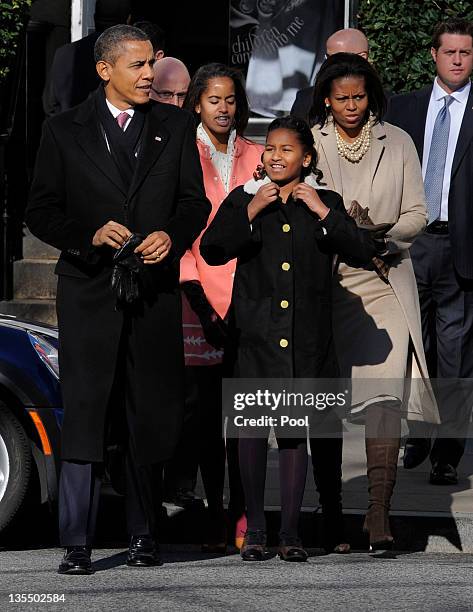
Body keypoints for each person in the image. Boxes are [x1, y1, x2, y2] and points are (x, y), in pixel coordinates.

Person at [26, 25, 210, 575]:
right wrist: (88, 234)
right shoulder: (63, 130)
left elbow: (192, 203)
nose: (149, 74)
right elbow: (41, 209)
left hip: (152, 293)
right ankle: (76, 541)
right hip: (89, 291)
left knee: (146, 412)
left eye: (151, 63)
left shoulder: (175, 126)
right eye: (137, 66)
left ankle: (143, 534)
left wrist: (171, 236)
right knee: (85, 412)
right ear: (105, 70)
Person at [200, 115, 382, 562]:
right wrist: (252, 210)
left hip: (306, 341)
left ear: (306, 158)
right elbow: (213, 248)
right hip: (255, 338)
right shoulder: (244, 198)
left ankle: (291, 532)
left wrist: (322, 211)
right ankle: (257, 529)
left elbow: (362, 250)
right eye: (270, 149)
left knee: (294, 432)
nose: (276, 155)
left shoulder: (325, 201)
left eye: (286, 149)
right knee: (252, 431)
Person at [310, 53, 438, 552]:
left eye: (359, 96)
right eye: (340, 97)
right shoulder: (311, 141)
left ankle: (378, 512)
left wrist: (385, 240)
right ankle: (330, 510)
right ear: (326, 97)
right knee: (323, 400)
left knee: (384, 398)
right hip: (327, 280)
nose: (350, 105)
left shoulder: (398, 140)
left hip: (384, 276)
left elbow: (417, 211)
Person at [180, 63, 264, 551]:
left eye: (231, 100)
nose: (224, 108)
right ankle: (213, 510)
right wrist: (194, 292)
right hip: (199, 297)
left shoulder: (256, 154)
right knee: (207, 414)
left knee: (247, 415)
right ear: (196, 103)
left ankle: (243, 514)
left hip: (250, 298)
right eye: (214, 100)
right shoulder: (182, 154)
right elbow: (183, 231)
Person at [385, 19, 473, 485]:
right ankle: (417, 435)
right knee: (413, 349)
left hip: (460, 247)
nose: (458, 60)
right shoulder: (404, 109)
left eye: (466, 53)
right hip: (410, 243)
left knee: (455, 351)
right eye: (450, 52)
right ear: (434, 55)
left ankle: (447, 452)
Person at [44, 0, 132, 116]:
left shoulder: (63, 52)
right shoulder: (128, 57)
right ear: (128, 21)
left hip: (68, 129)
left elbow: (49, 104)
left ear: (95, 17)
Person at [291, 28, 369, 123]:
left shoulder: (389, 104)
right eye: (327, 58)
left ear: (362, 57)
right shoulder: (306, 100)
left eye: (336, 58)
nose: (329, 63)